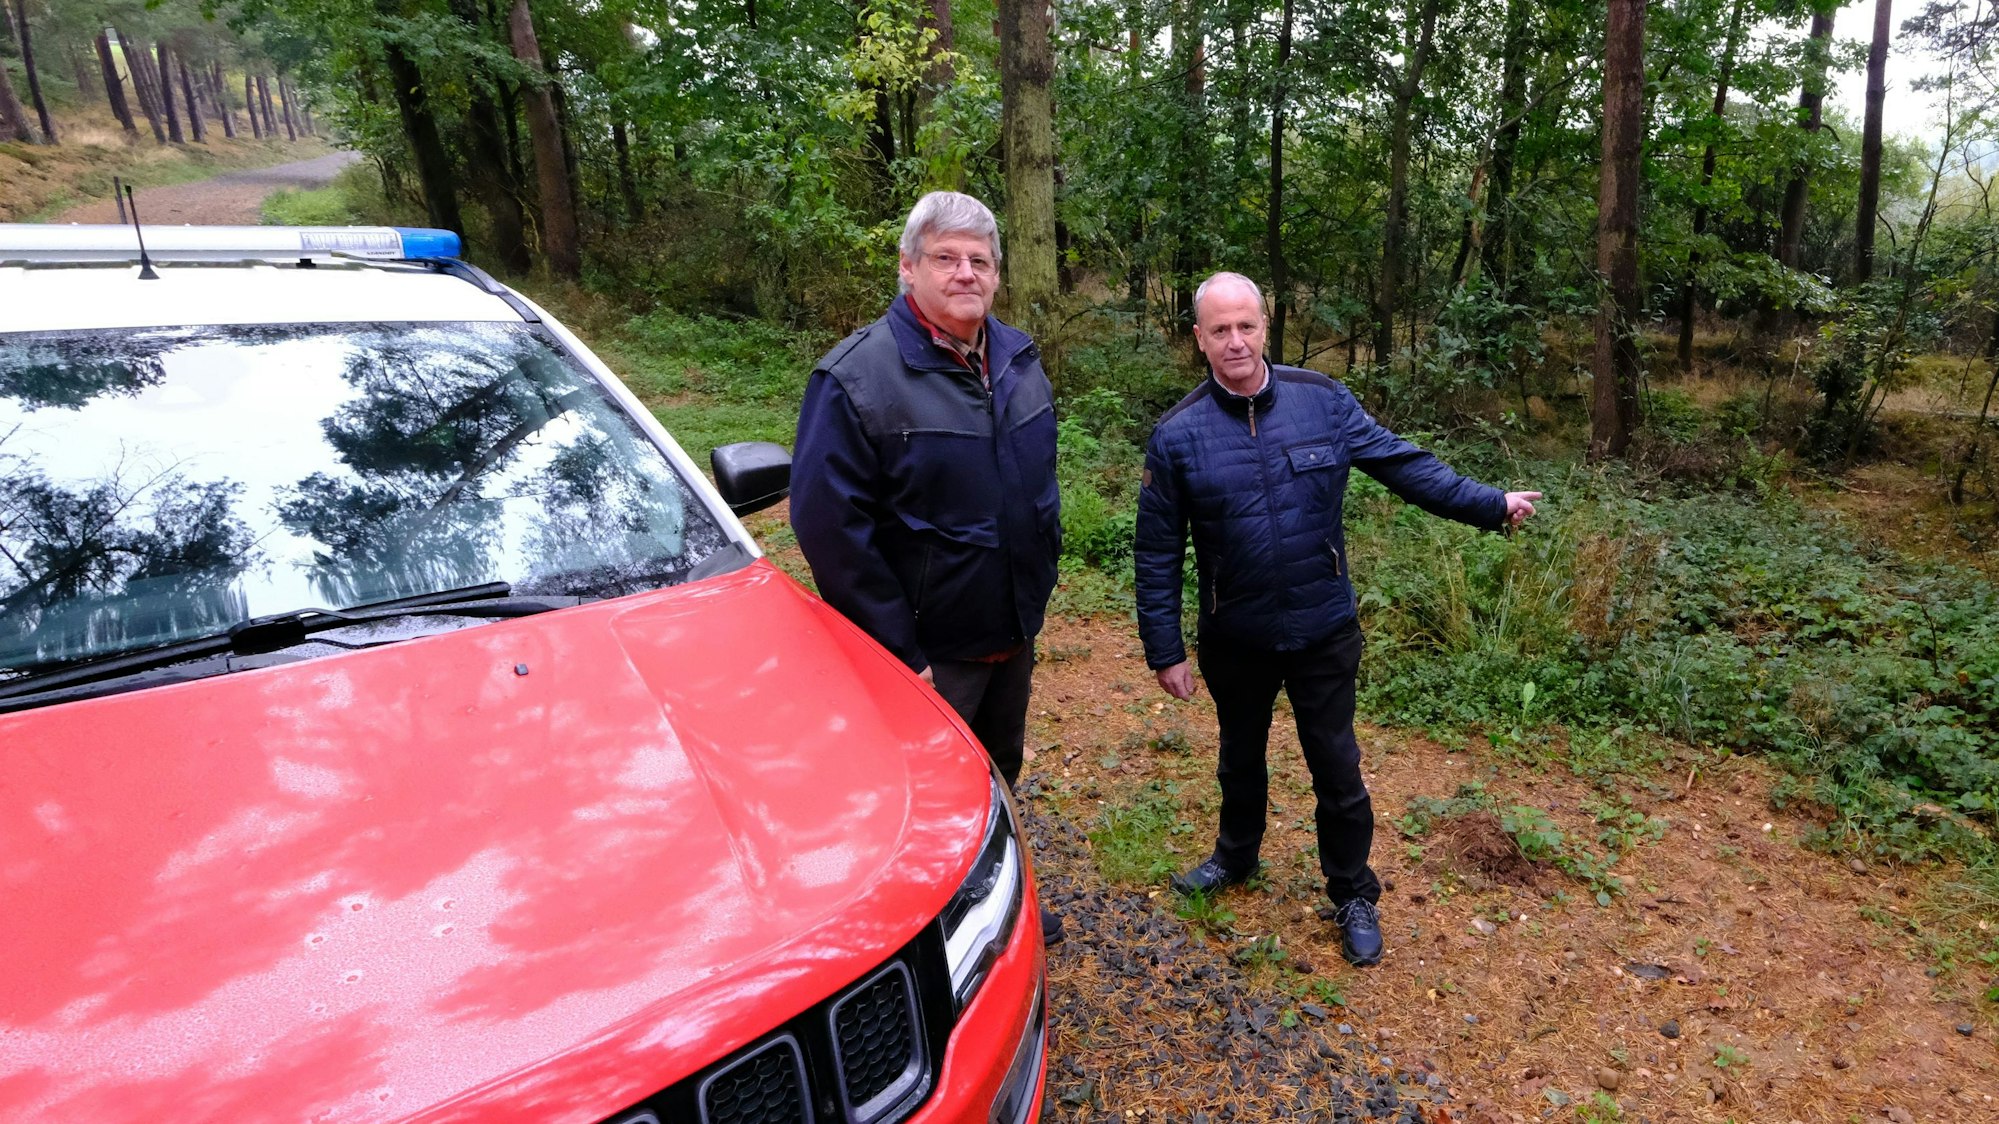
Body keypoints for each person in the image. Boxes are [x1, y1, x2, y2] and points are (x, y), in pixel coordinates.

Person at [1133, 272, 1540, 966]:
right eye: (1219, 330)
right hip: (1235, 635)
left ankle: (1351, 891)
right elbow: (1157, 550)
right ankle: (1234, 857)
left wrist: (1487, 504)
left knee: (1337, 769)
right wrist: (1162, 647)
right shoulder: (1177, 436)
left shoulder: (1321, 402)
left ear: (1266, 327)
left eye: (1246, 326)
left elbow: (1403, 464)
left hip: (1322, 628)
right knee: (1239, 758)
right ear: (1199, 339)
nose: (1235, 341)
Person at [790, 191, 1064, 944]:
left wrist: (1038, 576)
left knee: (998, 770)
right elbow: (827, 527)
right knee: (926, 795)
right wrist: (896, 650)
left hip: (1008, 621)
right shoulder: (856, 378)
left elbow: (1035, 484)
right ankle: (930, 936)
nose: (965, 273)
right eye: (946, 257)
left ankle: (998, 903)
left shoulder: (1015, 357)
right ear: (909, 267)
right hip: (927, 643)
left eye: (979, 260)